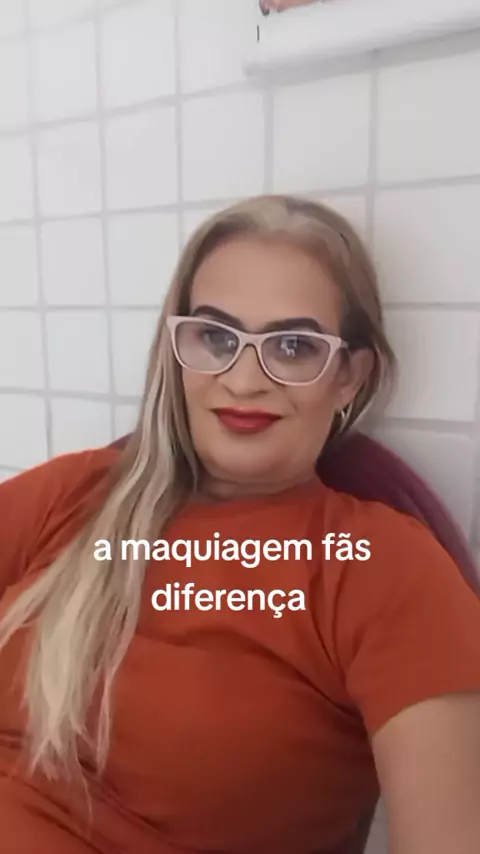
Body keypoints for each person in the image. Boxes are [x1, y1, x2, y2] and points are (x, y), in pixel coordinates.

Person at [0, 195, 479, 854]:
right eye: (217, 338)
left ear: (348, 376)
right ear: (177, 350)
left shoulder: (385, 568)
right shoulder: (75, 494)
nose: (245, 380)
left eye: (293, 346)